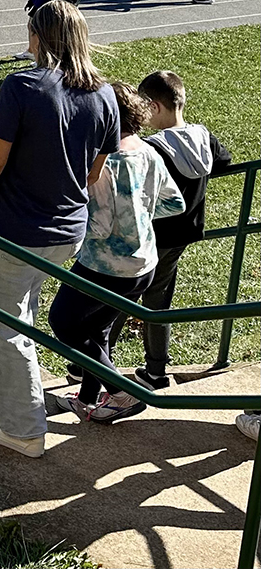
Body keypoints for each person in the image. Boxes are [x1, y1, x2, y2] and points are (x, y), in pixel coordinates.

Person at [0, 1, 119, 458]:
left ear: (39, 35)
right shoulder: (105, 94)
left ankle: (23, 428)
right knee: (19, 313)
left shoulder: (22, 85)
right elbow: (93, 171)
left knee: (6, 326)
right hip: (68, 231)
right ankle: (0, 388)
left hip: (16, 230)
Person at [49, 82, 186, 424]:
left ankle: (122, 391)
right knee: (98, 330)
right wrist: (137, 217)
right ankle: (88, 398)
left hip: (105, 265)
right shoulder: (147, 149)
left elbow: (98, 226)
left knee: (63, 323)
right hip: (144, 263)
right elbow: (174, 202)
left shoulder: (104, 162)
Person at [106, 70, 231, 389]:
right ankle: (156, 371)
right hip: (183, 236)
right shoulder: (204, 136)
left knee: (120, 297)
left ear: (154, 106)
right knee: (157, 301)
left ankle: (98, 361)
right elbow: (224, 161)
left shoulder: (153, 148)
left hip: (148, 238)